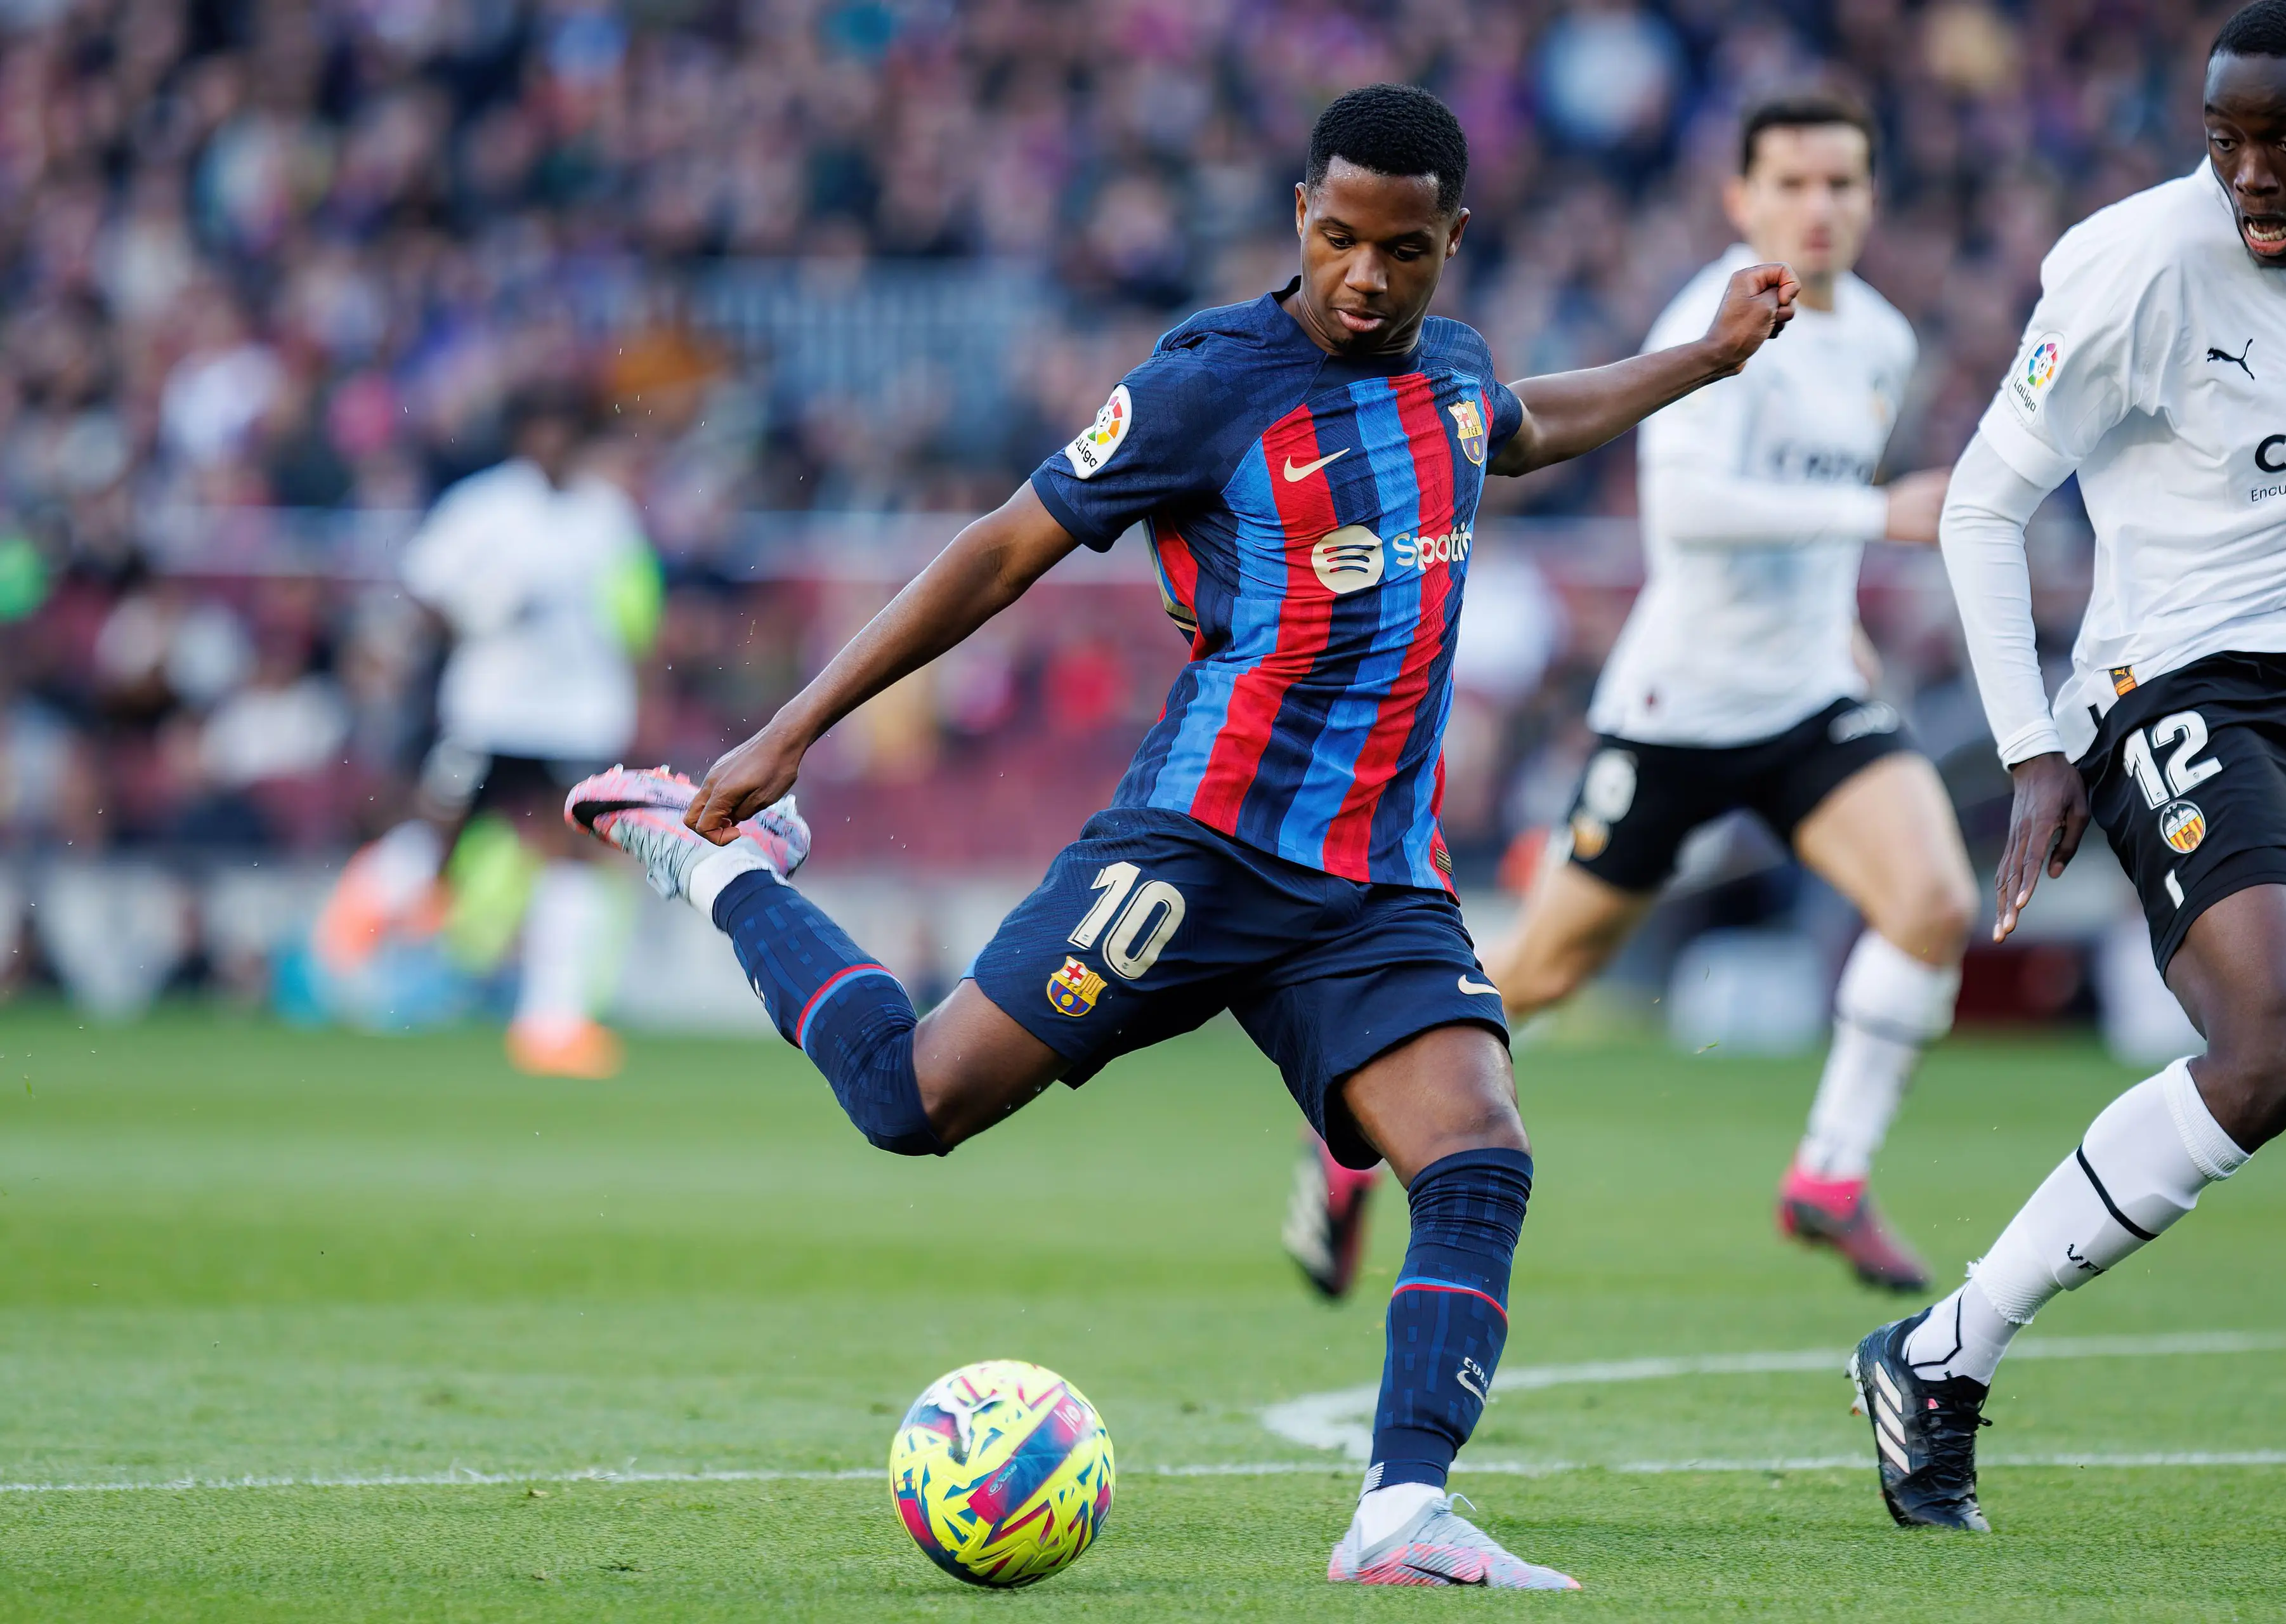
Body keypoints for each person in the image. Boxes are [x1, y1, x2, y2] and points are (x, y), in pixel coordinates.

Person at [566, 84, 1793, 1589]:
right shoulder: (1208, 381)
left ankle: (1400, 1510)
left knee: (1476, 1151)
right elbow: (1000, 548)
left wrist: (1710, 355)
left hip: (1370, 884)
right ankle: (715, 869)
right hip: (1195, 846)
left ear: (1450, 242)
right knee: (908, 1100)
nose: (1362, 275)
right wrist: (791, 727)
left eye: (1400, 251)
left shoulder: (1458, 377)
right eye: (1336, 237)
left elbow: (1529, 423)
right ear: (1298, 215)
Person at [1851, 0, 2286, 1532]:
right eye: (2221, 140)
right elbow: (1980, 506)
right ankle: (1942, 1348)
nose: (2247, 174)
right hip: (2171, 679)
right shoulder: (2133, 267)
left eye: (2285, 142)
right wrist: (2031, 746)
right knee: (2274, 1048)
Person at [1283, 92, 1969, 1303]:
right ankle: (1353, 1122)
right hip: (1674, 713)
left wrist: (1843, 630)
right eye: (1793, 185)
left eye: (1843, 184)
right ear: (1741, 200)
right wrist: (1879, 515)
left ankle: (1830, 1176)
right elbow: (1690, 515)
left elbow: (1801, 533)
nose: (1819, 208)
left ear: (1872, 199)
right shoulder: (1706, 325)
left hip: (1810, 700)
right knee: (1544, 970)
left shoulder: (1883, 342)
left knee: (1933, 902)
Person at [313, 383, 674, 1077]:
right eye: (542, 428)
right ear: (520, 435)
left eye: (567, 429)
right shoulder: (482, 507)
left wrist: (641, 694)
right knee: (441, 839)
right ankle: (343, 948)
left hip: (579, 715)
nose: (555, 443)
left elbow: (633, 613)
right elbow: (422, 594)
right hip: (492, 711)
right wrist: (473, 614)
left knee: (574, 857)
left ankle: (553, 1024)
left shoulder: (608, 516)